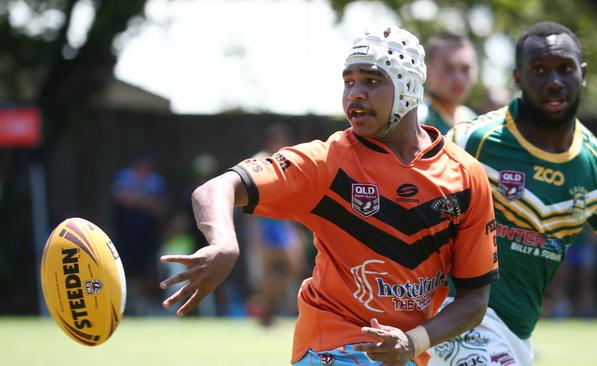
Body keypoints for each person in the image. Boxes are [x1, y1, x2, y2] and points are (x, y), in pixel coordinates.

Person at [159, 26, 499, 366]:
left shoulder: (466, 177)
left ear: (409, 86)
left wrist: (413, 342)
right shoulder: (327, 161)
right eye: (348, 82)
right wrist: (223, 243)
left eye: (371, 80)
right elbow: (217, 187)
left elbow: (474, 299)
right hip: (330, 348)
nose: (355, 93)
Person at [428, 21, 597, 365]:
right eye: (539, 70)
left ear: (583, 73)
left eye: (565, 69)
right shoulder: (472, 141)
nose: (554, 82)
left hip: (516, 332)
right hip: (449, 313)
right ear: (518, 77)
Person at [244, 123, 306, 327]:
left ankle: (261, 306)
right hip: (266, 224)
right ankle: (265, 313)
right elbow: (249, 197)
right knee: (273, 270)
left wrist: (296, 227)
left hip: (283, 225)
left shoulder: (286, 160)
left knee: (289, 269)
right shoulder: (260, 160)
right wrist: (253, 231)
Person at [111, 153, 167, 315]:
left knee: (146, 272)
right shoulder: (123, 177)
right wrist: (145, 201)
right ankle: (124, 306)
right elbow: (123, 199)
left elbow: (160, 208)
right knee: (123, 270)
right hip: (125, 235)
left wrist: (137, 200)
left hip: (147, 236)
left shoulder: (156, 182)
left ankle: (141, 308)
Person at [418, 33, 478, 135]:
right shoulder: (417, 118)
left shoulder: (473, 121)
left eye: (465, 69)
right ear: (426, 70)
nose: (458, 78)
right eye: (448, 68)